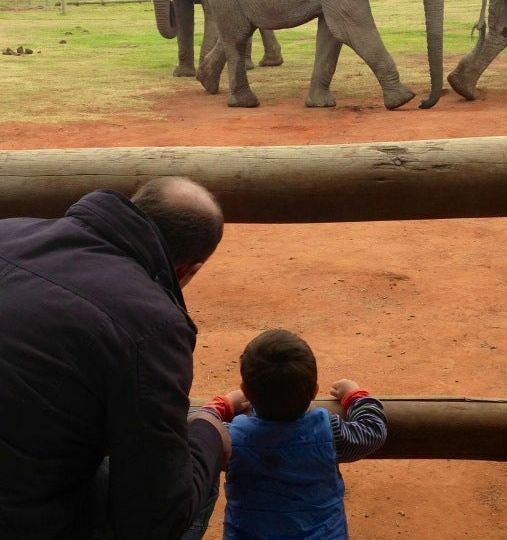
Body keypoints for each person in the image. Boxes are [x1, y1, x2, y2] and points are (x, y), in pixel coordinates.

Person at [0, 177, 231, 540]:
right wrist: (210, 432)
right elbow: (154, 514)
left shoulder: (7, 231)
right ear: (189, 269)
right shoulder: (152, 324)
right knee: (189, 465)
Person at [201, 328, 388, 540]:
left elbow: (200, 430)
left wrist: (223, 404)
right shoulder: (328, 431)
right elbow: (373, 430)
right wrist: (355, 396)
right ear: (315, 391)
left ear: (246, 392)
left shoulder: (232, 438)